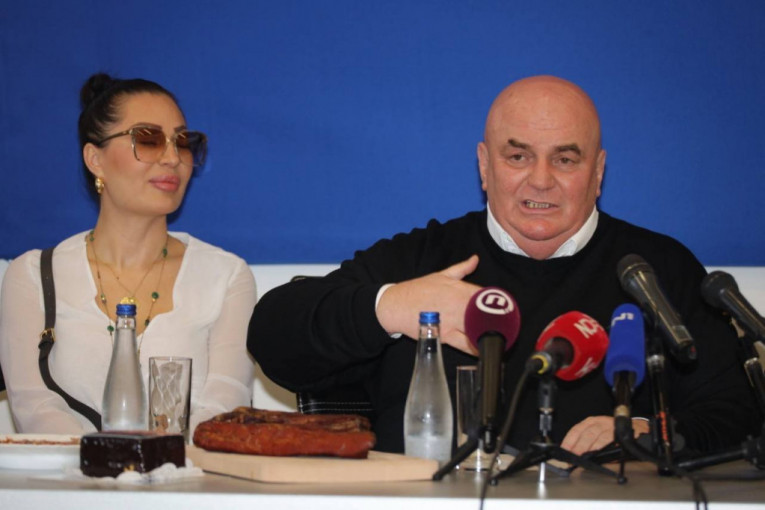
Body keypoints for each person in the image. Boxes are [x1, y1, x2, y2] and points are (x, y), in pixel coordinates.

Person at [249, 75, 760, 456]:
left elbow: (736, 410)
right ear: (484, 165)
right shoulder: (422, 259)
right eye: (518, 157)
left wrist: (650, 434)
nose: (540, 180)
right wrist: (393, 306)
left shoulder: (654, 273)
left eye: (565, 159)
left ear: (598, 171)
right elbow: (274, 338)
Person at [0, 73, 257, 435]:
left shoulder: (226, 276)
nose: (172, 158)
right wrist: (100, 460)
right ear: (95, 159)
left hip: (186, 470)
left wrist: (164, 461)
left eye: (183, 142)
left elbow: (224, 405)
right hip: (68, 471)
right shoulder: (33, 275)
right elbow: (35, 405)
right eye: (148, 139)